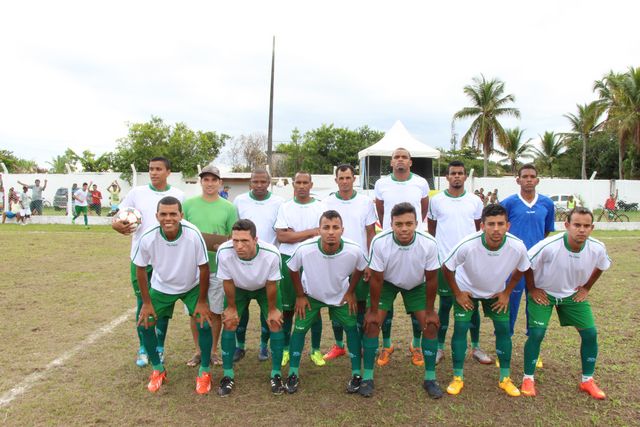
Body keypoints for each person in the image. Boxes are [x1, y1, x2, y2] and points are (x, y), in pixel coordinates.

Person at [521, 207, 611, 399]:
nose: (582, 230)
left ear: (592, 228)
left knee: (590, 334)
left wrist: (586, 288)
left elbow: (602, 266)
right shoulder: (549, 245)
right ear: (567, 225)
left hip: (571, 295)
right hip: (544, 293)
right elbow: (526, 264)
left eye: (586, 226)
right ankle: (528, 378)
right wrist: (533, 289)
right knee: (537, 333)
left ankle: (587, 380)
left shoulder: (597, 247)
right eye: (577, 225)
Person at [443, 204, 531, 397]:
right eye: (491, 224)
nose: (496, 229)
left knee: (503, 331)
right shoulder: (467, 243)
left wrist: (507, 292)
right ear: (482, 226)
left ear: (508, 225)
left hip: (495, 293)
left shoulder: (517, 245)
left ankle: (505, 378)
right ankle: (457, 377)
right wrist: (457, 293)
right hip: (467, 291)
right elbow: (447, 267)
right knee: (460, 328)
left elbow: (523, 268)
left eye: (500, 224)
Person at [133, 196, 214, 394]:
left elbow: (204, 268)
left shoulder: (193, 234)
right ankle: (158, 369)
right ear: (156, 216)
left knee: (204, 322)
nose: (168, 218)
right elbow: (140, 270)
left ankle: (204, 371)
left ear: (181, 215)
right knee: (144, 322)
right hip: (162, 286)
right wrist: (146, 302)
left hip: (192, 285)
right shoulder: (148, 236)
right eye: (163, 214)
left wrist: (202, 301)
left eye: (173, 214)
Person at [284, 210, 368, 395]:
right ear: (319, 230)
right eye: (326, 227)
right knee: (299, 329)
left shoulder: (354, 249)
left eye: (335, 227)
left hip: (339, 296)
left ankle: (356, 374)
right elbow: (292, 269)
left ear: (342, 230)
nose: (331, 232)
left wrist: (351, 291)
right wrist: (299, 295)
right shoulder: (305, 248)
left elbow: (361, 268)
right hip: (312, 295)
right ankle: (293, 373)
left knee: (351, 328)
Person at [363, 202, 442, 398]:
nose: (404, 228)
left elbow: (432, 279)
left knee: (431, 325)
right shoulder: (380, 241)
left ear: (417, 223)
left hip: (416, 284)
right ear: (391, 224)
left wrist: (431, 310)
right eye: (399, 224)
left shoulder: (429, 242)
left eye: (409, 223)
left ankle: (430, 378)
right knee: (372, 324)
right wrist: (373, 310)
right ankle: (367, 377)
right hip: (387, 283)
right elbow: (377, 278)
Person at [113, 157, 184, 367]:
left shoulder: (178, 195)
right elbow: (119, 217)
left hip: (166, 259)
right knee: (142, 303)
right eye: (151, 169)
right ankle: (144, 347)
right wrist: (117, 225)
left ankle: (159, 347)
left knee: (162, 305)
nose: (153, 173)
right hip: (140, 257)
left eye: (158, 169)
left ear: (168, 172)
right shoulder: (136, 193)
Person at [427, 161, 491, 365]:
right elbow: (432, 228)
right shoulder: (436, 201)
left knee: (472, 305)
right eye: (453, 173)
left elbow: (477, 230)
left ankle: (476, 347)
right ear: (447, 177)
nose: (456, 176)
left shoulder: (475, 201)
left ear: (465, 177)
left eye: (460, 173)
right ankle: (438, 348)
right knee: (445, 305)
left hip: (469, 263)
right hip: (446, 262)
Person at [373, 148, 430, 367]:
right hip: (390, 245)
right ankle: (386, 345)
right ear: (391, 162)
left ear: (410, 162)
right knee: (384, 304)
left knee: (419, 305)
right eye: (396, 157)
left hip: (414, 245)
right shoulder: (381, 184)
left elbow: (423, 211)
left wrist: (411, 228)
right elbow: (381, 212)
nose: (400, 160)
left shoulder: (421, 183)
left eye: (404, 157)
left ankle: (416, 345)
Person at [216, 219, 286, 396]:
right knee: (230, 322)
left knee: (275, 322)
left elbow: (272, 284)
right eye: (235, 240)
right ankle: (227, 375)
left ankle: (276, 374)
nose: (239, 246)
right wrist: (231, 307)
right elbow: (228, 281)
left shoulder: (271, 253)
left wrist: (272, 310)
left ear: (255, 240)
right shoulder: (224, 252)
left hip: (264, 288)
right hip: (238, 288)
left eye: (245, 241)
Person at [183, 165, 238, 368]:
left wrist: (219, 244)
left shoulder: (229, 207)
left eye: (214, 180)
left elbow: (233, 237)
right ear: (201, 182)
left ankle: (213, 351)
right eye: (206, 180)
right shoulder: (188, 205)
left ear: (220, 183)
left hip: (216, 268)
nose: (209, 183)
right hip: (192, 269)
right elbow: (183, 232)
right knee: (194, 311)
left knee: (215, 311)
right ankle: (198, 350)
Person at [321, 164, 377, 362]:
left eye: (348, 178)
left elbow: (371, 232)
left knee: (360, 304)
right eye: (341, 178)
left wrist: (369, 261)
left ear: (354, 179)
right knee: (335, 303)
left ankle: (360, 343)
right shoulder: (327, 202)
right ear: (336, 180)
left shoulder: (365, 202)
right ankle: (338, 345)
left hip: (359, 262)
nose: (344, 181)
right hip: (334, 262)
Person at [233, 168, 284, 362]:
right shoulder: (239, 201)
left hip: (267, 263)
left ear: (269, 182)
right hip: (243, 261)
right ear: (250, 183)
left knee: (268, 309)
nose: (259, 185)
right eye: (256, 182)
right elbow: (236, 227)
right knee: (241, 308)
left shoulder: (279, 202)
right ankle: (240, 346)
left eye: (263, 182)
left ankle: (264, 346)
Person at [275, 171, 326, 368]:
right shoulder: (285, 207)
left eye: (305, 182)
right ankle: (286, 349)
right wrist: (311, 231)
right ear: (293, 185)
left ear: (311, 185)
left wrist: (296, 234)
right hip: (288, 258)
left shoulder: (321, 206)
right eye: (298, 182)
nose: (302, 186)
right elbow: (282, 237)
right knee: (287, 309)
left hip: (314, 259)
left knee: (314, 306)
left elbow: (324, 234)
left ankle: (315, 350)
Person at [500, 164, 555, 344]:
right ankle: (504, 342)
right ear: (518, 180)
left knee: (535, 302)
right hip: (513, 262)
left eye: (532, 176)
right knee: (510, 302)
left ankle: (533, 343)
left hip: (537, 264)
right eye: (525, 176)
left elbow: (546, 230)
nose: (529, 179)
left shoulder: (546, 203)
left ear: (537, 180)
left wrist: (534, 247)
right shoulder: (508, 203)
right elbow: (500, 228)